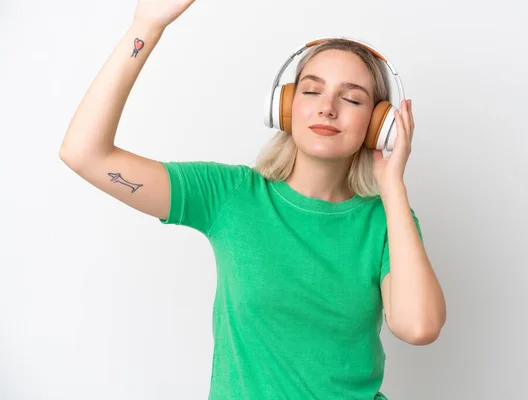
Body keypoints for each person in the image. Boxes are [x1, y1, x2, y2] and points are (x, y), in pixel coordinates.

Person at [59, 1, 446, 398]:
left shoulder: (385, 220)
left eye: (351, 99)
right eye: (311, 90)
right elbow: (85, 154)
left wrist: (392, 186)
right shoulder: (229, 195)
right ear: (285, 107)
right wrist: (146, 27)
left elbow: (418, 327)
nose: (327, 108)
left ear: (377, 125)